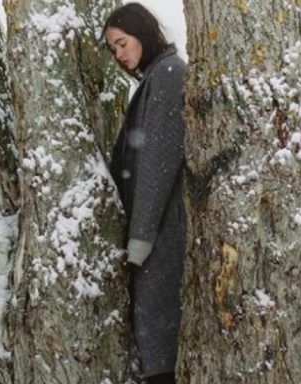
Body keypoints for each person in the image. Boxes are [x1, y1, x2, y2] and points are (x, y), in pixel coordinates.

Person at [103, 4, 187, 384]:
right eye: (113, 49)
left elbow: (158, 161)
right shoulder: (155, 77)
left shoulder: (169, 75)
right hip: (156, 236)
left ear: (144, 32)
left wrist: (139, 239)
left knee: (161, 355)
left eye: (122, 43)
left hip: (161, 238)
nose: (119, 55)